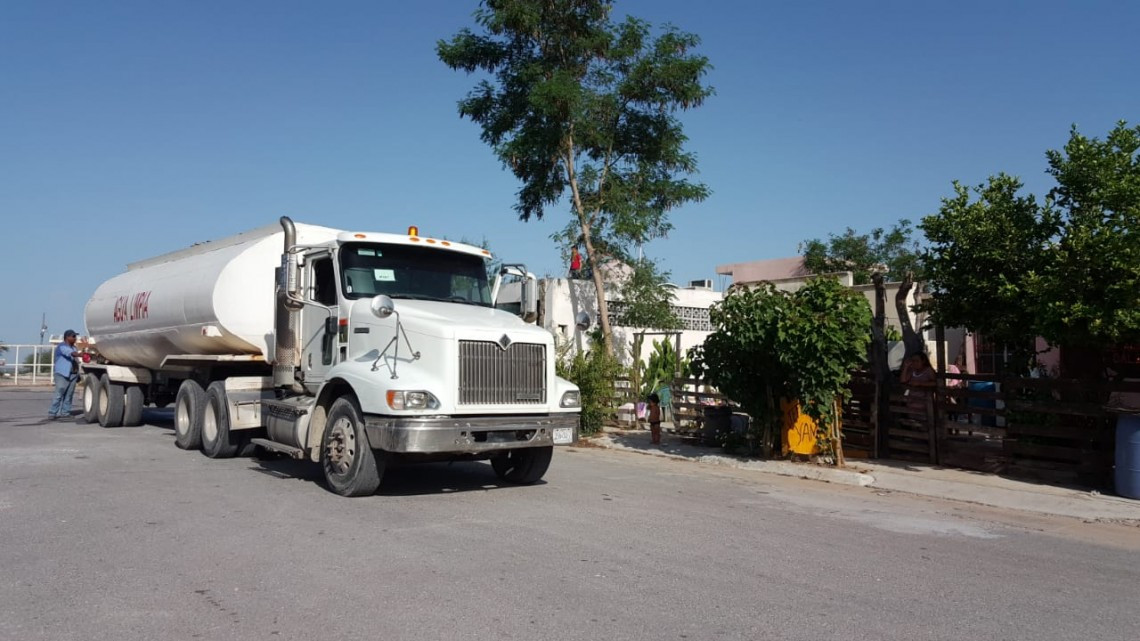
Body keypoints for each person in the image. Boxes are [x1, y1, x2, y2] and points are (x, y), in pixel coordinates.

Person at [48, 330, 81, 420]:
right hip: (62, 374)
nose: (75, 338)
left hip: (73, 374)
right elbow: (71, 354)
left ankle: (65, 413)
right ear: (67, 337)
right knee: (59, 393)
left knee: (69, 395)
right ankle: (52, 413)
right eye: (73, 336)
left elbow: (76, 361)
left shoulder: (74, 347)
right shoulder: (62, 346)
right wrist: (82, 354)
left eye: (75, 336)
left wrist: (78, 374)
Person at [900, 352, 936, 417]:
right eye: (913, 361)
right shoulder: (912, 370)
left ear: (923, 361)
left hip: (924, 402)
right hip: (912, 401)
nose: (915, 363)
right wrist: (906, 367)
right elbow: (903, 380)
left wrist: (920, 383)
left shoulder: (928, 370)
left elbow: (935, 383)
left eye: (917, 361)